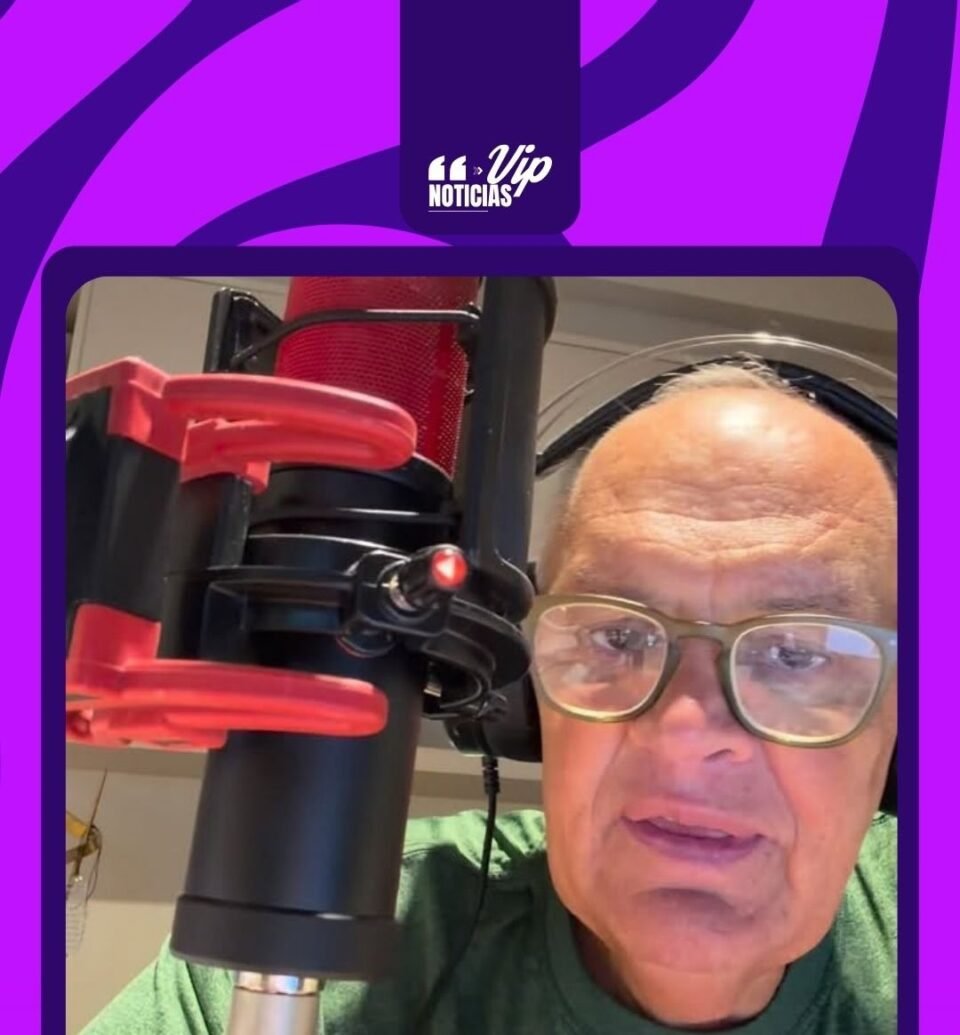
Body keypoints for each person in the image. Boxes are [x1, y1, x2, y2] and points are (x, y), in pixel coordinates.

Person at [82, 359, 897, 1034]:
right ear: (522, 698)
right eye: (616, 636)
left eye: (798, 653)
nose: (684, 731)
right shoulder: (298, 936)